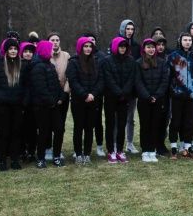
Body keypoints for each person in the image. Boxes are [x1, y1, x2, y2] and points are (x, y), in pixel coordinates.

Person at [0, 37, 28, 171]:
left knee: (16, 133)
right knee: (3, 133)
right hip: (1, 105)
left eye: (15, 49)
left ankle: (15, 160)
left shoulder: (22, 65)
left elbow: (26, 86)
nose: (13, 51)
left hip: (17, 105)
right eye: (11, 49)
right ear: (6, 50)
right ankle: (2, 161)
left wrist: (24, 101)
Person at [66, 36, 103, 165]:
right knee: (78, 127)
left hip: (93, 100)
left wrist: (93, 94)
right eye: (85, 46)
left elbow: (100, 80)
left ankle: (87, 153)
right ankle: (78, 153)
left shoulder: (96, 61)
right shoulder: (73, 62)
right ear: (80, 47)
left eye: (90, 46)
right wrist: (84, 95)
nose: (88, 49)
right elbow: (73, 81)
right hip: (78, 101)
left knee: (89, 128)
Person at [28, 40, 65, 169]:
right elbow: (41, 88)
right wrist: (52, 101)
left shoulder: (50, 65)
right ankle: (41, 158)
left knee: (59, 129)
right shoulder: (37, 67)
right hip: (42, 107)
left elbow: (57, 84)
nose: (52, 51)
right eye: (49, 49)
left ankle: (56, 156)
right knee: (43, 132)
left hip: (53, 106)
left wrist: (61, 96)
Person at [102, 36, 138, 163]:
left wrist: (125, 92)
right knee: (110, 124)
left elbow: (132, 78)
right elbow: (108, 78)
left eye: (124, 47)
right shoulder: (107, 61)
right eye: (120, 46)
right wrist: (118, 91)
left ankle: (120, 150)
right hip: (111, 97)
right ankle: (111, 150)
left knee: (122, 124)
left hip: (124, 98)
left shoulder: (131, 60)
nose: (122, 49)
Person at [135, 38, 169, 162]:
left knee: (155, 125)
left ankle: (152, 150)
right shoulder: (138, 63)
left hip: (158, 99)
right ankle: (145, 150)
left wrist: (156, 95)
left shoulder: (161, 62)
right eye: (148, 47)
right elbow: (138, 82)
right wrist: (147, 96)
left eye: (153, 47)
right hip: (144, 100)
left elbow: (164, 81)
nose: (151, 49)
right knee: (145, 125)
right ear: (144, 49)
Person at [167, 32, 193, 159]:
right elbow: (169, 76)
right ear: (180, 41)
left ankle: (187, 148)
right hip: (177, 95)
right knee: (175, 122)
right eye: (185, 40)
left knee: (189, 123)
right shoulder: (173, 57)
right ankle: (174, 149)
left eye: (189, 40)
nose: (187, 42)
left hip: (191, 96)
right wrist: (173, 90)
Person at [45, 32, 71, 162]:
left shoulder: (66, 56)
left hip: (63, 95)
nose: (55, 42)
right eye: (52, 40)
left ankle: (58, 150)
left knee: (60, 125)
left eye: (57, 40)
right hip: (49, 97)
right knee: (48, 124)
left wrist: (64, 93)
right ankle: (48, 148)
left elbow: (69, 76)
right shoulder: (45, 56)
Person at [117, 19, 141, 153]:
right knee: (117, 118)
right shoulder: (116, 43)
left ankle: (130, 143)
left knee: (130, 117)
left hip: (132, 88)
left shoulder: (137, 46)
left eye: (132, 29)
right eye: (127, 29)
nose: (130, 32)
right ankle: (115, 143)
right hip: (118, 88)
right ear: (122, 29)